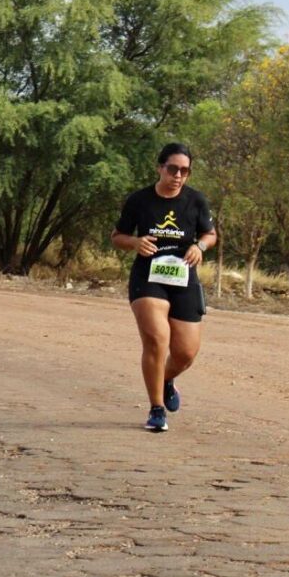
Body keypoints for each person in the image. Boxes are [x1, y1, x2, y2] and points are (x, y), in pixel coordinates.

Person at [111, 142, 216, 433]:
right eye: (172, 169)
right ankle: (156, 409)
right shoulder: (139, 201)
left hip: (183, 278)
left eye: (185, 171)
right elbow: (117, 236)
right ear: (160, 168)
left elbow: (210, 234)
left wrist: (200, 246)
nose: (178, 175)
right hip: (148, 276)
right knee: (157, 339)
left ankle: (166, 379)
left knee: (185, 353)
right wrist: (134, 242)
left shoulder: (196, 201)